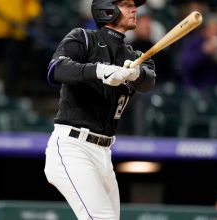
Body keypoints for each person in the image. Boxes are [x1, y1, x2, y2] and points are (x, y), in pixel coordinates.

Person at [44, 0, 156, 219]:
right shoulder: (84, 38)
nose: (135, 9)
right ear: (107, 9)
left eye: (135, 5)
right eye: (126, 4)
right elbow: (57, 69)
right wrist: (99, 70)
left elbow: (149, 79)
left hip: (104, 153)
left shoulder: (134, 56)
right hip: (72, 147)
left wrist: (135, 74)